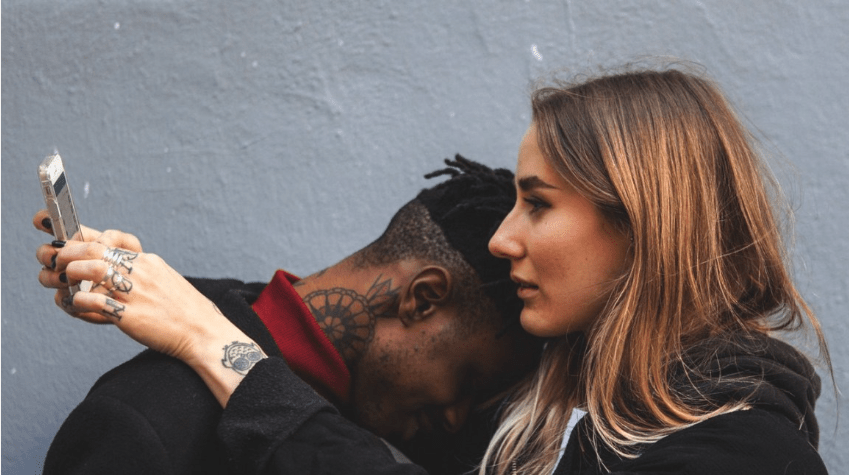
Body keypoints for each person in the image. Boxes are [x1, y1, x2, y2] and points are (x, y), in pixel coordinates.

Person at [42, 65, 831, 475]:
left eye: (537, 203)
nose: (503, 239)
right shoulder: (575, 414)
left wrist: (213, 341)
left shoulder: (743, 453)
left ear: (639, 224)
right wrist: (149, 286)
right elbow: (330, 335)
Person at [36, 156, 541, 475]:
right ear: (423, 298)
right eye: (469, 381)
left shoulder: (403, 428)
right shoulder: (146, 424)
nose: (458, 418)